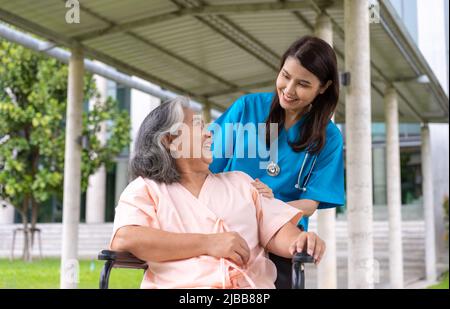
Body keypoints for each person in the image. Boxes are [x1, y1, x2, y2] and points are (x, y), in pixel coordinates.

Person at [110, 97, 325, 289]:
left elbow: (278, 231)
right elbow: (126, 238)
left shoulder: (241, 182)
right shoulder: (146, 189)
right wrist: (209, 243)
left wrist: (301, 240)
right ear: (169, 140)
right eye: (197, 125)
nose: (209, 132)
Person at [209, 36, 344, 288]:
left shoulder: (329, 137)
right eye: (285, 76)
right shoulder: (246, 108)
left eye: (303, 84)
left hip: (281, 235)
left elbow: (310, 203)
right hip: (227, 227)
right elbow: (207, 168)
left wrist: (267, 205)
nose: (289, 90)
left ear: (323, 87)